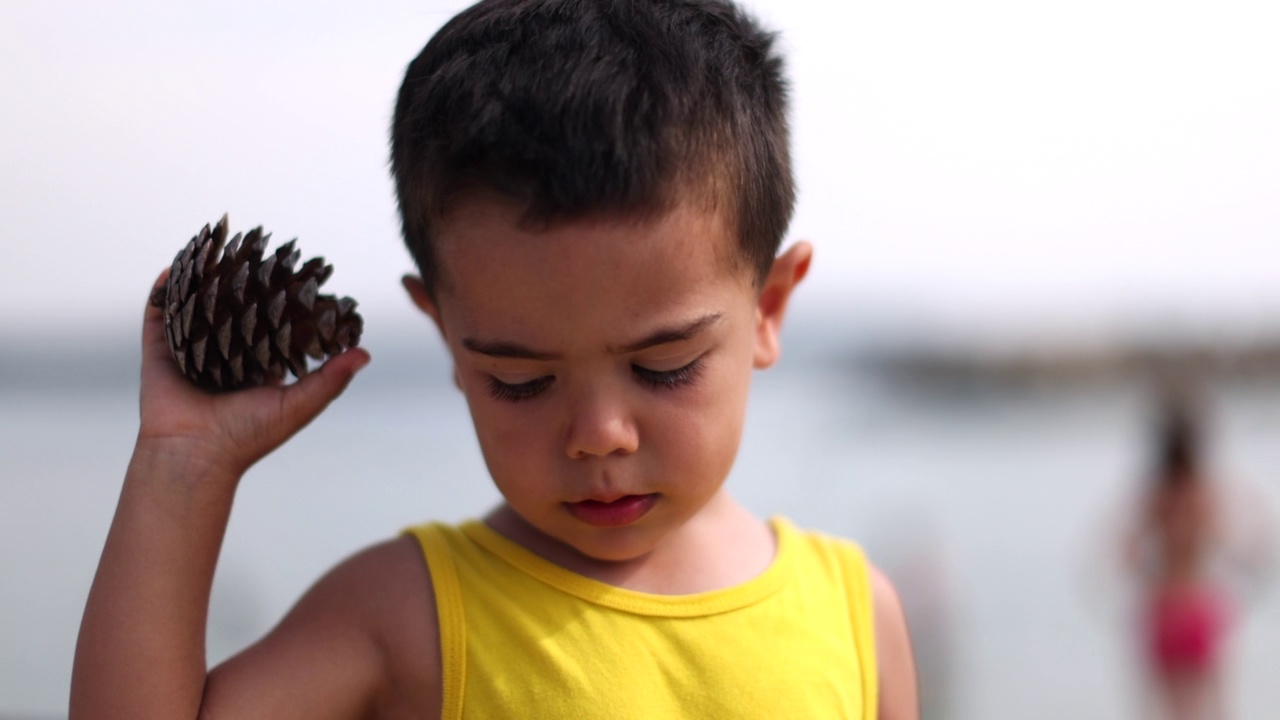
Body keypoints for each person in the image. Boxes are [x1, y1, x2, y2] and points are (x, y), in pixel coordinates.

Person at [70, 1, 919, 717]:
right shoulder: (403, 614)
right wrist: (180, 468)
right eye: (521, 382)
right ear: (444, 332)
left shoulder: (856, 617)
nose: (599, 435)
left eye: (664, 367)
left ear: (768, 308)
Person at [1123, 386, 1271, 720]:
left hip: (1163, 607)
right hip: (1199, 605)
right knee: (1214, 710)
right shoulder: (1206, 493)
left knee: (1168, 712)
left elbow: (1127, 554)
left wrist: (1148, 573)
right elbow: (1244, 545)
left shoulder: (1155, 495)